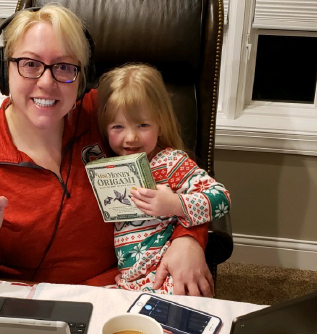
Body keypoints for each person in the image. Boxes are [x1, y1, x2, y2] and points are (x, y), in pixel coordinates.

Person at [0, 4, 215, 296]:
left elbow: (183, 180)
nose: (46, 82)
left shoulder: (107, 116)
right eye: (30, 64)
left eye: (64, 67)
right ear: (3, 70)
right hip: (21, 301)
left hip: (116, 291)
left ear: (82, 78)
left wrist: (188, 239)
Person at [97, 63, 231, 295]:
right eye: (118, 126)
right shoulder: (108, 169)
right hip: (127, 280)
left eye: (143, 125)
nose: (131, 137)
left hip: (166, 276)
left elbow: (221, 199)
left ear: (160, 125)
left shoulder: (170, 162)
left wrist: (175, 204)